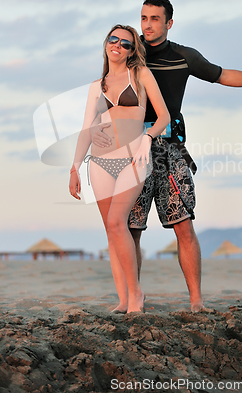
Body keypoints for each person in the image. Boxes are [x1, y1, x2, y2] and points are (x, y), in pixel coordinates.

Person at [93, 0, 242, 312]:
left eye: (155, 19)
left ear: (168, 23)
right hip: (131, 151)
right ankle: (132, 298)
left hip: (169, 150)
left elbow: (222, 74)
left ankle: (196, 302)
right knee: (129, 227)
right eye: (144, 18)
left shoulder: (183, 56)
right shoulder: (131, 53)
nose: (147, 24)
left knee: (182, 223)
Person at [69, 24, 170, 313]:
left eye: (126, 43)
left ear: (132, 51)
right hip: (100, 161)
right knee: (111, 230)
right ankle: (123, 299)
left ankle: (136, 294)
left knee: (117, 222)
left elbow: (163, 116)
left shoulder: (140, 75)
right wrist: (75, 167)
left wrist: (147, 139)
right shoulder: (95, 86)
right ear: (106, 44)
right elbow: (87, 129)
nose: (118, 45)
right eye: (113, 40)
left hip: (133, 158)